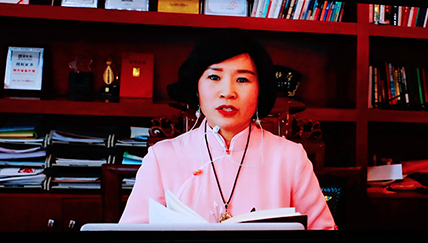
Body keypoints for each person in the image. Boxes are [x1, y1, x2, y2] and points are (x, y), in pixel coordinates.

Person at [120, 31, 336, 230]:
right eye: (214, 77)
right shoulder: (162, 157)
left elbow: (324, 239)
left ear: (260, 90)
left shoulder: (290, 157)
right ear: (196, 87)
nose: (228, 92)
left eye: (242, 79)